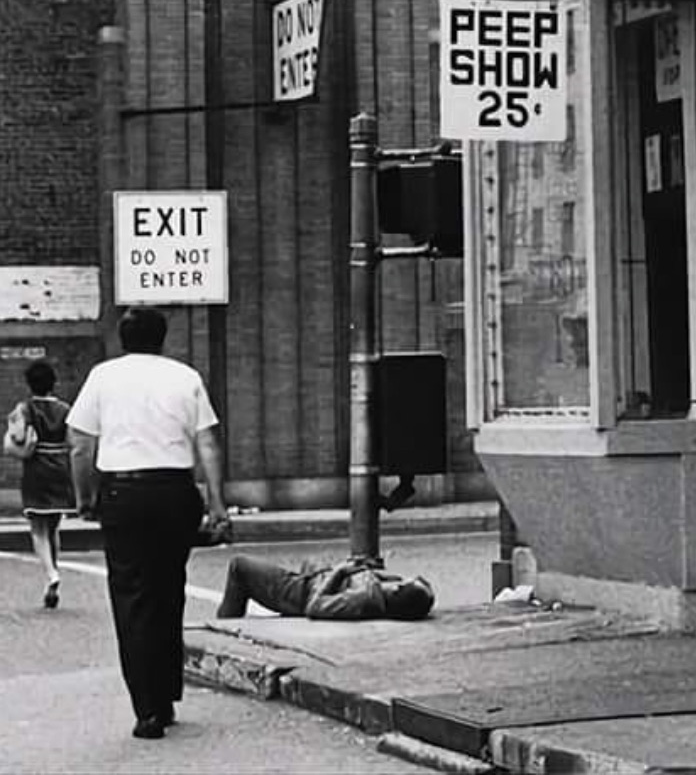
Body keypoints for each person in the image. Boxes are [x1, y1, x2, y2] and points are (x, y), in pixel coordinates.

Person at [68, 305, 229, 742]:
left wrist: (85, 498)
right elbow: (208, 443)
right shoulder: (185, 377)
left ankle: (148, 709)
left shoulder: (103, 377)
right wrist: (217, 504)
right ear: (162, 338)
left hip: (124, 494)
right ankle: (167, 693)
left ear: (123, 337)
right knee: (167, 589)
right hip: (176, 493)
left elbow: (81, 444)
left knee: (133, 597)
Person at [5, 359, 75, 609]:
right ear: (53, 383)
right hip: (60, 467)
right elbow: (72, 441)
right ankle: (50, 581)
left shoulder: (24, 408)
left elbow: (15, 436)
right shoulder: (66, 409)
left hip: (36, 467)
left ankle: (51, 574)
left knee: (37, 527)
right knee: (54, 525)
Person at [216, 551, 434, 622]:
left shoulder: (362, 598)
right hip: (315, 579)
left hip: (299, 593)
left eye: (404, 581)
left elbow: (314, 606)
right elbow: (382, 576)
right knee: (312, 559)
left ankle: (226, 625)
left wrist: (339, 572)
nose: (399, 578)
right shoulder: (380, 591)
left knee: (239, 566)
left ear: (397, 591)